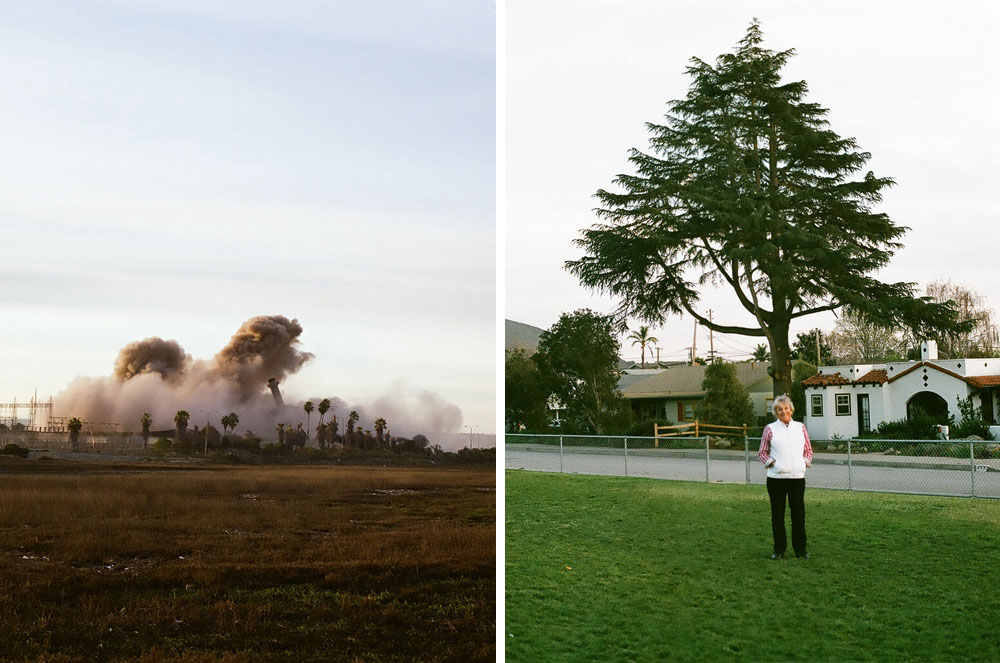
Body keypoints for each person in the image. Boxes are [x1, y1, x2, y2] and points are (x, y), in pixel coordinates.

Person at [758, 394, 813, 560]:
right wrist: (773, 464)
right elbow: (761, 453)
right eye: (780, 409)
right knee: (778, 516)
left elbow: (808, 450)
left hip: (797, 479)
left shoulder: (800, 427)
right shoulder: (770, 429)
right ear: (776, 411)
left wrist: (804, 463)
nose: (783, 411)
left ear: (791, 409)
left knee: (798, 516)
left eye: (786, 408)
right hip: (776, 480)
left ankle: (800, 550)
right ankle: (779, 550)